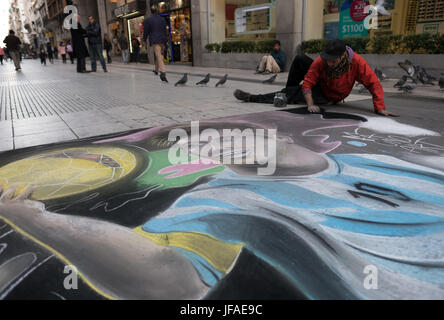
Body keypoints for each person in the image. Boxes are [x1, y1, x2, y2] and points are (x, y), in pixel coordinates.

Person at [234, 39, 397, 117]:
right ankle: (287, 92)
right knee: (299, 59)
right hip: (320, 84)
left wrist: (380, 107)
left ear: (342, 57)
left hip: (330, 95)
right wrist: (310, 103)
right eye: (327, 59)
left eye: (333, 61)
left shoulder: (356, 62)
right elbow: (309, 81)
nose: (329, 63)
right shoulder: (322, 61)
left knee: (292, 93)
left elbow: (373, 83)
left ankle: (262, 96)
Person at [143, 5, 168, 82]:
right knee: (159, 55)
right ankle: (156, 70)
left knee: (158, 55)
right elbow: (165, 30)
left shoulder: (148, 20)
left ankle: (163, 72)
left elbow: (146, 31)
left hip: (155, 39)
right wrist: (166, 40)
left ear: (151, 11)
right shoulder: (162, 19)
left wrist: (144, 39)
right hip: (162, 39)